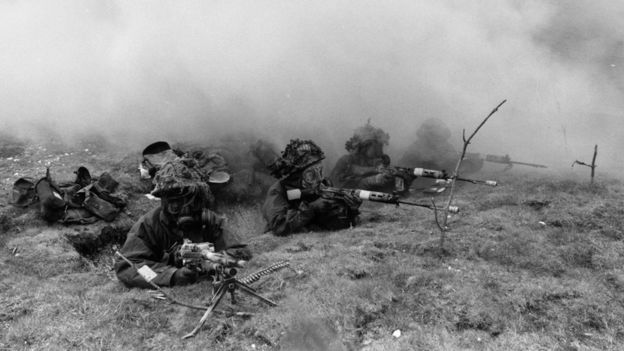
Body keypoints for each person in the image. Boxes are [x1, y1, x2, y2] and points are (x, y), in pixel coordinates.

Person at [114, 158, 251, 289]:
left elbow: (239, 250)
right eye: (175, 202)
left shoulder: (210, 220)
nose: (184, 208)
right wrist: (172, 275)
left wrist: (215, 260)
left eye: (190, 201)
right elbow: (129, 267)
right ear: (165, 201)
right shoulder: (149, 225)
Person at [262, 139, 362, 236]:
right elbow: (279, 226)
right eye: (311, 174)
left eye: (320, 171)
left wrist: (351, 208)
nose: (319, 178)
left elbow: (336, 222)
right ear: (296, 176)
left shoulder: (324, 184)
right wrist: (312, 207)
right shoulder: (278, 191)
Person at [329, 122, 395, 193]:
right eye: (376, 146)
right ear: (365, 146)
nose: (380, 151)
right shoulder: (346, 160)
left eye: (381, 146)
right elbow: (337, 184)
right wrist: (370, 180)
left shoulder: (376, 160)